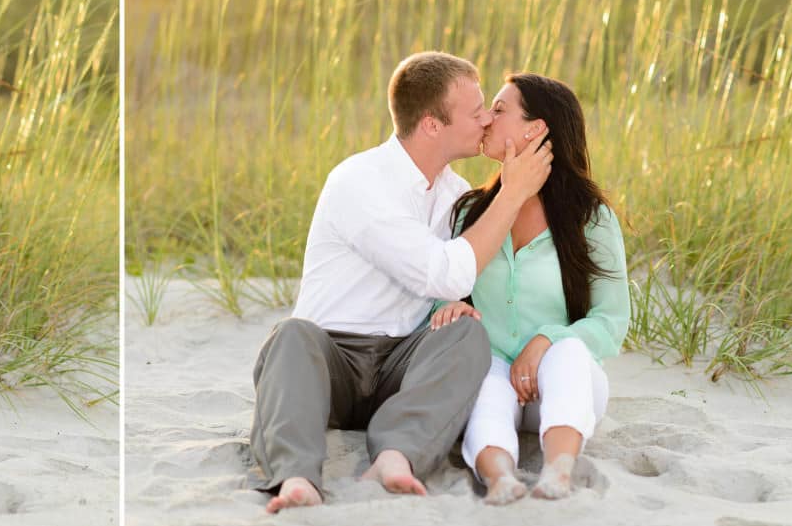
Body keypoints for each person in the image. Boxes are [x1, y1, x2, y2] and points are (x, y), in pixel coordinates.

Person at [249, 51, 556, 514]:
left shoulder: (455, 194)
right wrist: (512, 193)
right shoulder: (359, 181)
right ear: (432, 125)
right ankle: (296, 477)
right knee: (290, 335)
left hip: (402, 366)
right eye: (475, 113)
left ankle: (395, 457)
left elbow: (462, 282)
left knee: (466, 334)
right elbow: (445, 271)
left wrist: (458, 306)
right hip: (329, 361)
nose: (487, 119)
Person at [428, 73, 629, 505]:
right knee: (481, 375)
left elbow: (612, 321)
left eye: (499, 110)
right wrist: (450, 307)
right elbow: (443, 287)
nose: (485, 119)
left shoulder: (591, 219)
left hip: (564, 382)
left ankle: (558, 470)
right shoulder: (469, 212)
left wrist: (546, 339)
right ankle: (500, 477)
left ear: (535, 129)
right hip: (497, 368)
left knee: (569, 353)